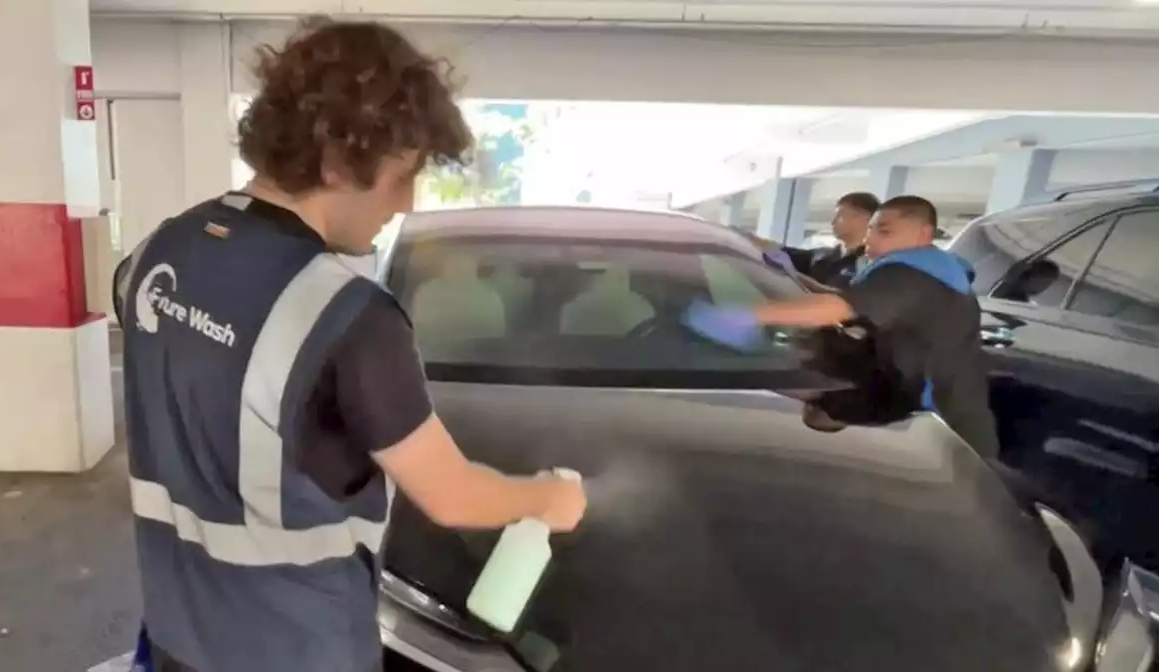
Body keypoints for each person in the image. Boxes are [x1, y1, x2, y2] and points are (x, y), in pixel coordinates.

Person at [111, 19, 586, 672]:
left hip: (177, 636)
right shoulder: (348, 317)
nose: (408, 202)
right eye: (401, 177)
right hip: (298, 649)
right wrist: (547, 499)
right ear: (338, 161)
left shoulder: (152, 256)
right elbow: (454, 497)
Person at [684, 195, 1000, 459]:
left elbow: (835, 309)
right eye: (872, 231)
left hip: (943, 432)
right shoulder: (926, 271)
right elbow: (842, 298)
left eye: (884, 232)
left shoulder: (912, 276)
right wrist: (792, 275)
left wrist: (741, 314)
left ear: (923, 234)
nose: (869, 240)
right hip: (918, 416)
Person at [748, 191, 881, 288]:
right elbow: (778, 250)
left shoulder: (874, 264)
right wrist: (743, 238)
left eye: (841, 216)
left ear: (865, 219)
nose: (833, 222)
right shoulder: (820, 257)